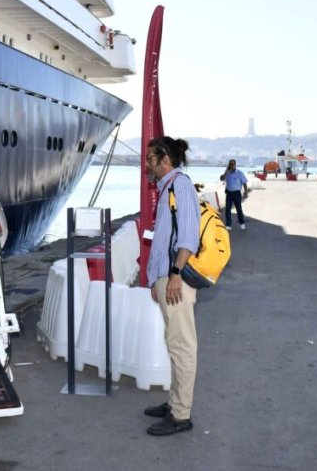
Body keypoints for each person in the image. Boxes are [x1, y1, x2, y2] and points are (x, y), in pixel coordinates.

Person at [142, 136, 200, 436]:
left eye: (150, 158)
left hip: (177, 279)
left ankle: (181, 415)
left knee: (182, 347)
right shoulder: (169, 189)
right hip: (167, 278)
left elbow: (189, 236)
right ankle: (174, 402)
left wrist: (175, 274)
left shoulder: (181, 187)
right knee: (174, 344)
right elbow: (165, 238)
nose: (147, 164)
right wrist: (156, 279)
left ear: (164, 158)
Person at [220, 159, 248, 231]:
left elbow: (244, 183)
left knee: (239, 209)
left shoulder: (239, 173)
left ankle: (242, 223)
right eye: (230, 164)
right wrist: (226, 172)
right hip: (229, 193)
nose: (231, 166)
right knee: (228, 209)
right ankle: (228, 224)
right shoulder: (227, 173)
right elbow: (221, 178)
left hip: (237, 193)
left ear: (235, 165)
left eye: (233, 164)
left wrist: (246, 192)